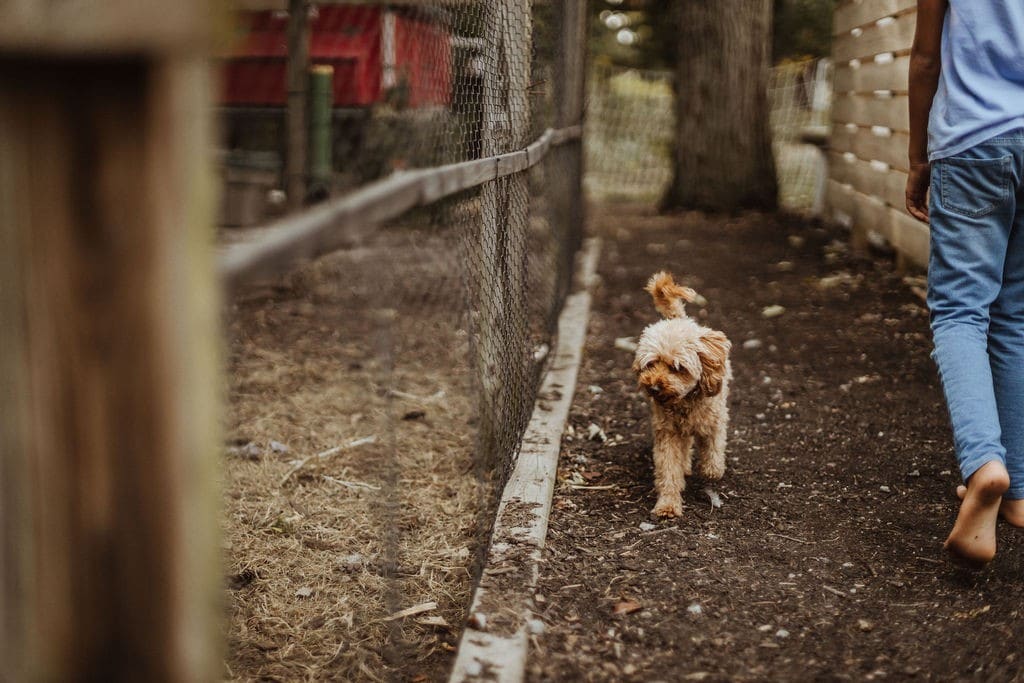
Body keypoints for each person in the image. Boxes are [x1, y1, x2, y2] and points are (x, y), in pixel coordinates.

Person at [905, 0, 1024, 565]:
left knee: (960, 313)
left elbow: (927, 58)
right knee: (1017, 317)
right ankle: (1020, 492)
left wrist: (917, 157)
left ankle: (985, 467)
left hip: (972, 144)